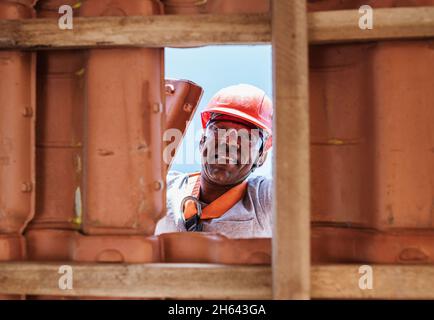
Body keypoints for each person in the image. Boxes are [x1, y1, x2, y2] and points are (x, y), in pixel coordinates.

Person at [155, 84, 273, 238]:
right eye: (219, 130)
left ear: (261, 157)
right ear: (202, 141)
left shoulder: (263, 200)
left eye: (246, 137)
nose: (229, 142)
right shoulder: (163, 190)